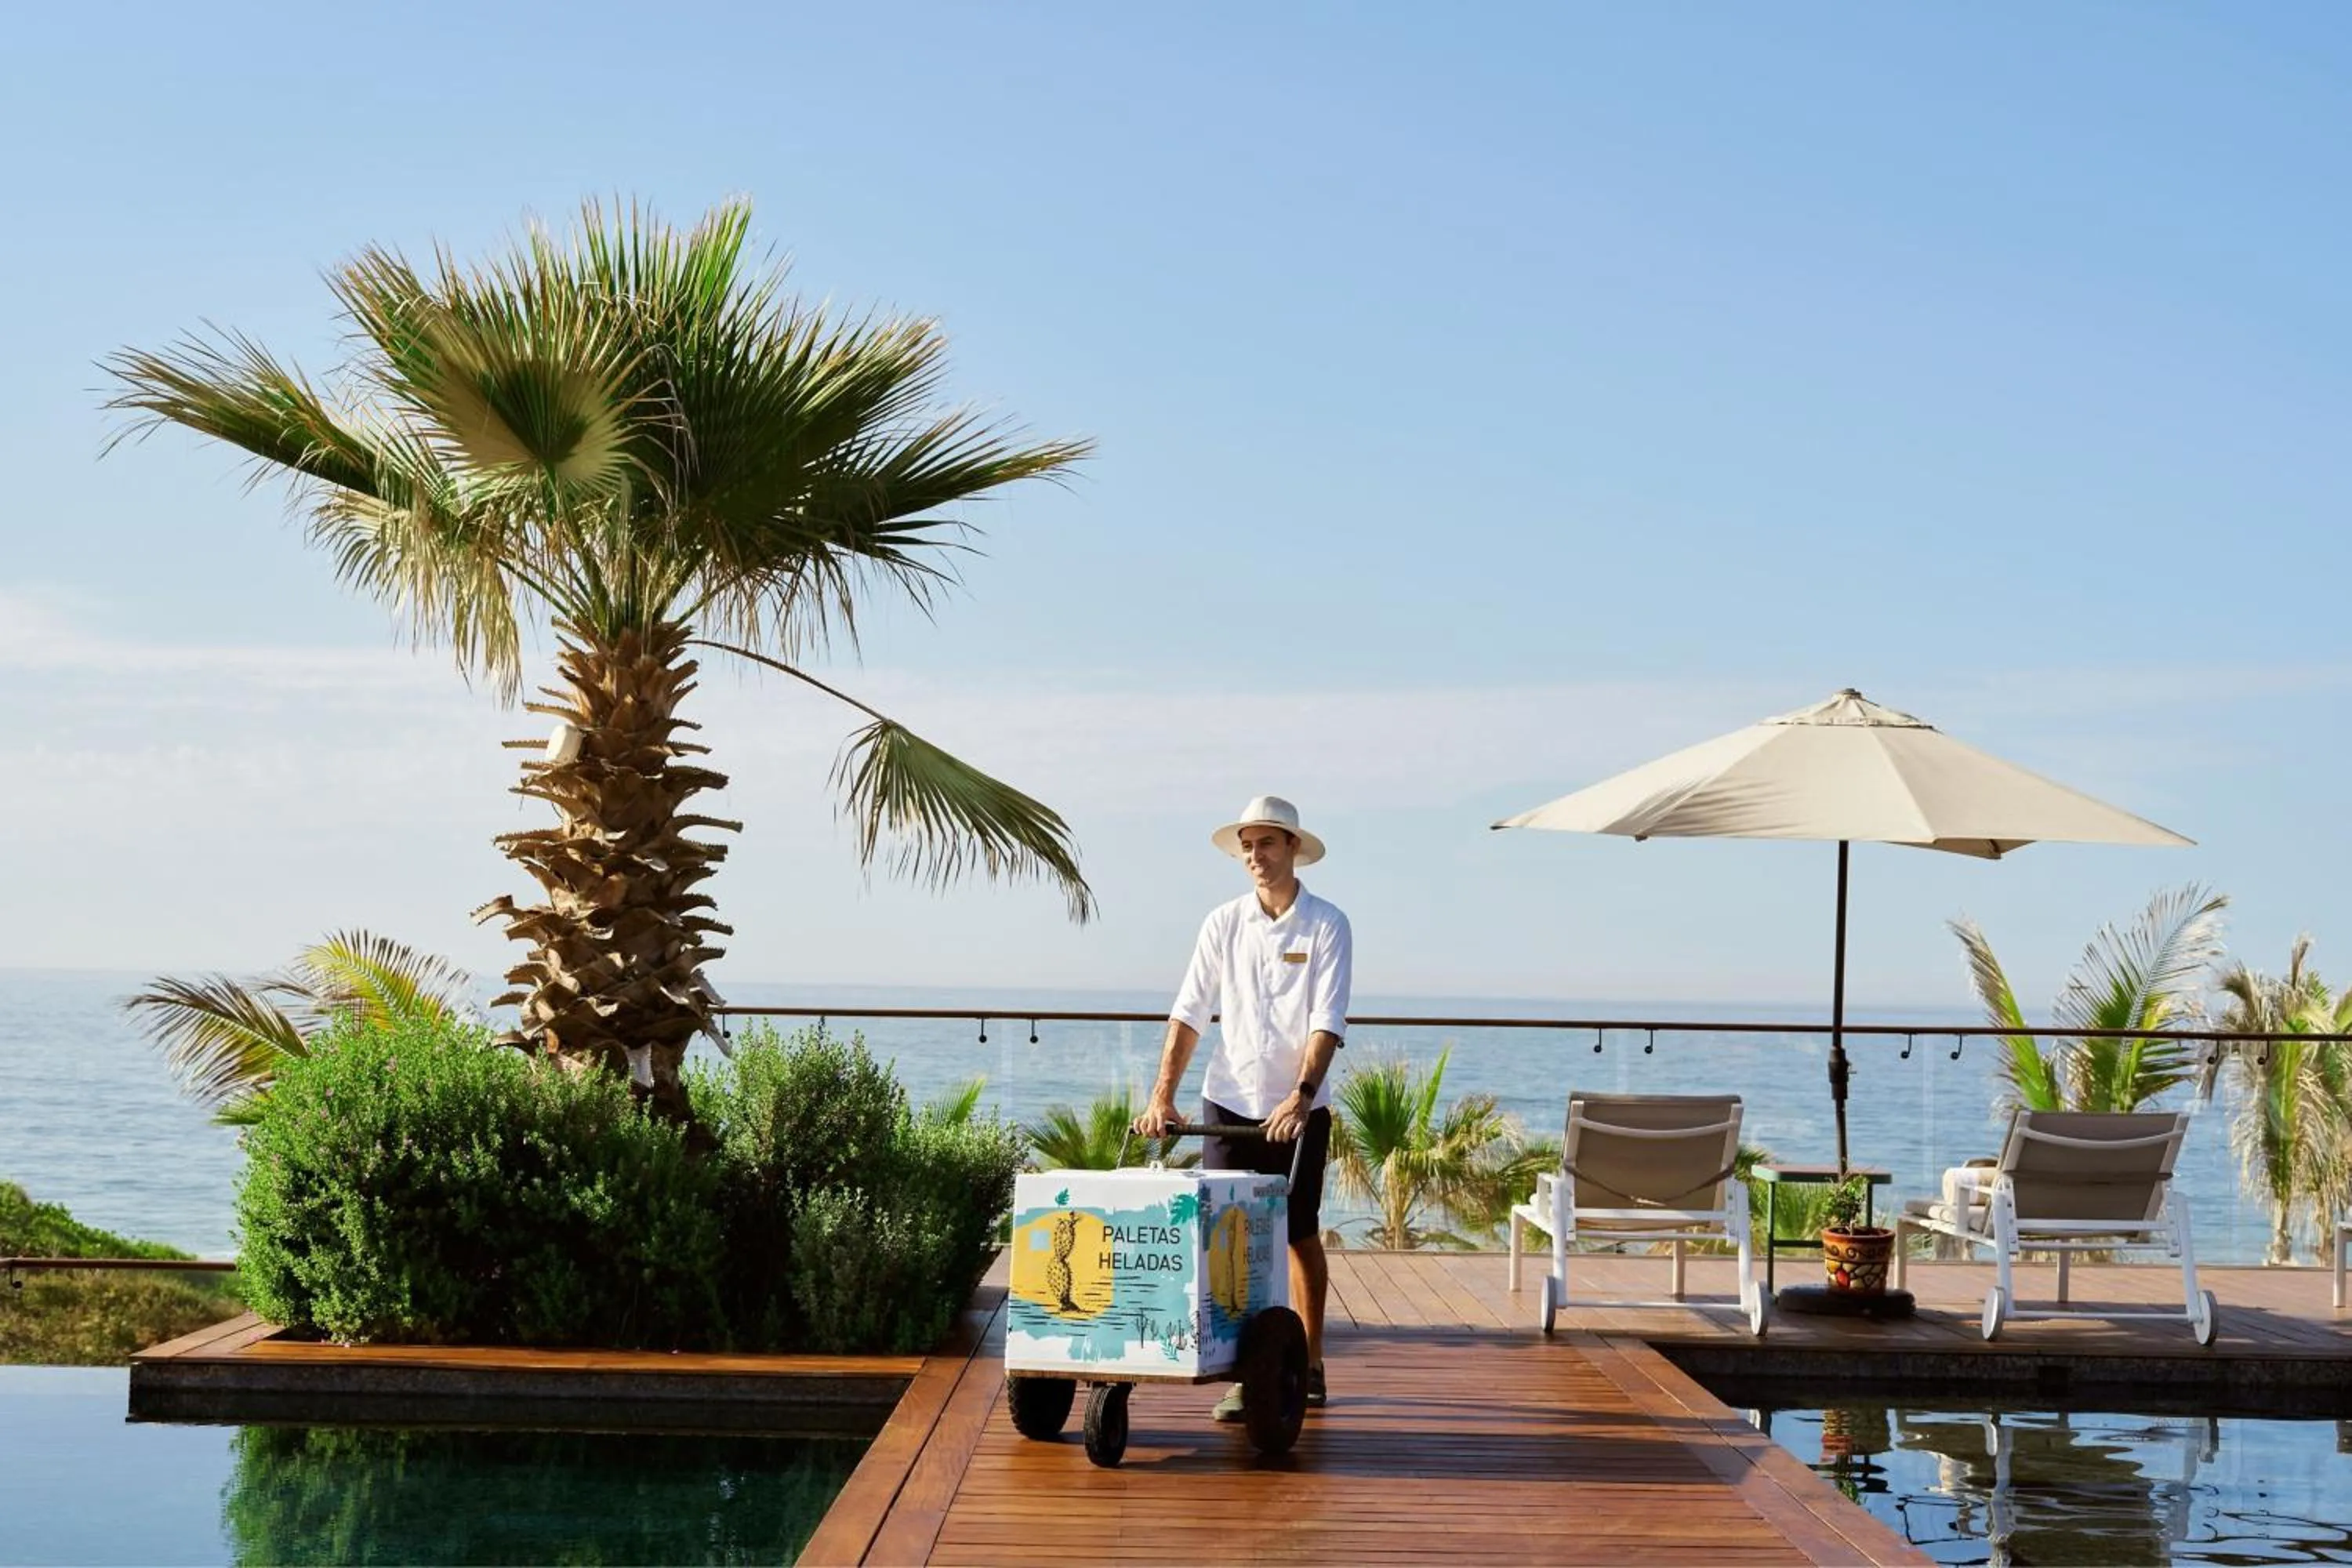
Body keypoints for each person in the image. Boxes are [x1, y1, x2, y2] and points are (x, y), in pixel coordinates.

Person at [1134, 793, 1352, 1417]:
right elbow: (1189, 1011)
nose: (1256, 856)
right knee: (1225, 1242)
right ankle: (1244, 1371)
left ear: (1292, 849)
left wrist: (1300, 1097)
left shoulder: (1327, 924)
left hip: (1298, 1110)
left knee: (1298, 1232)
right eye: (1247, 846)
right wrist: (1163, 1097)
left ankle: (1309, 1363)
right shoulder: (1222, 923)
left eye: (1267, 844)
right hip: (1228, 1100)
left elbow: (1327, 1021)